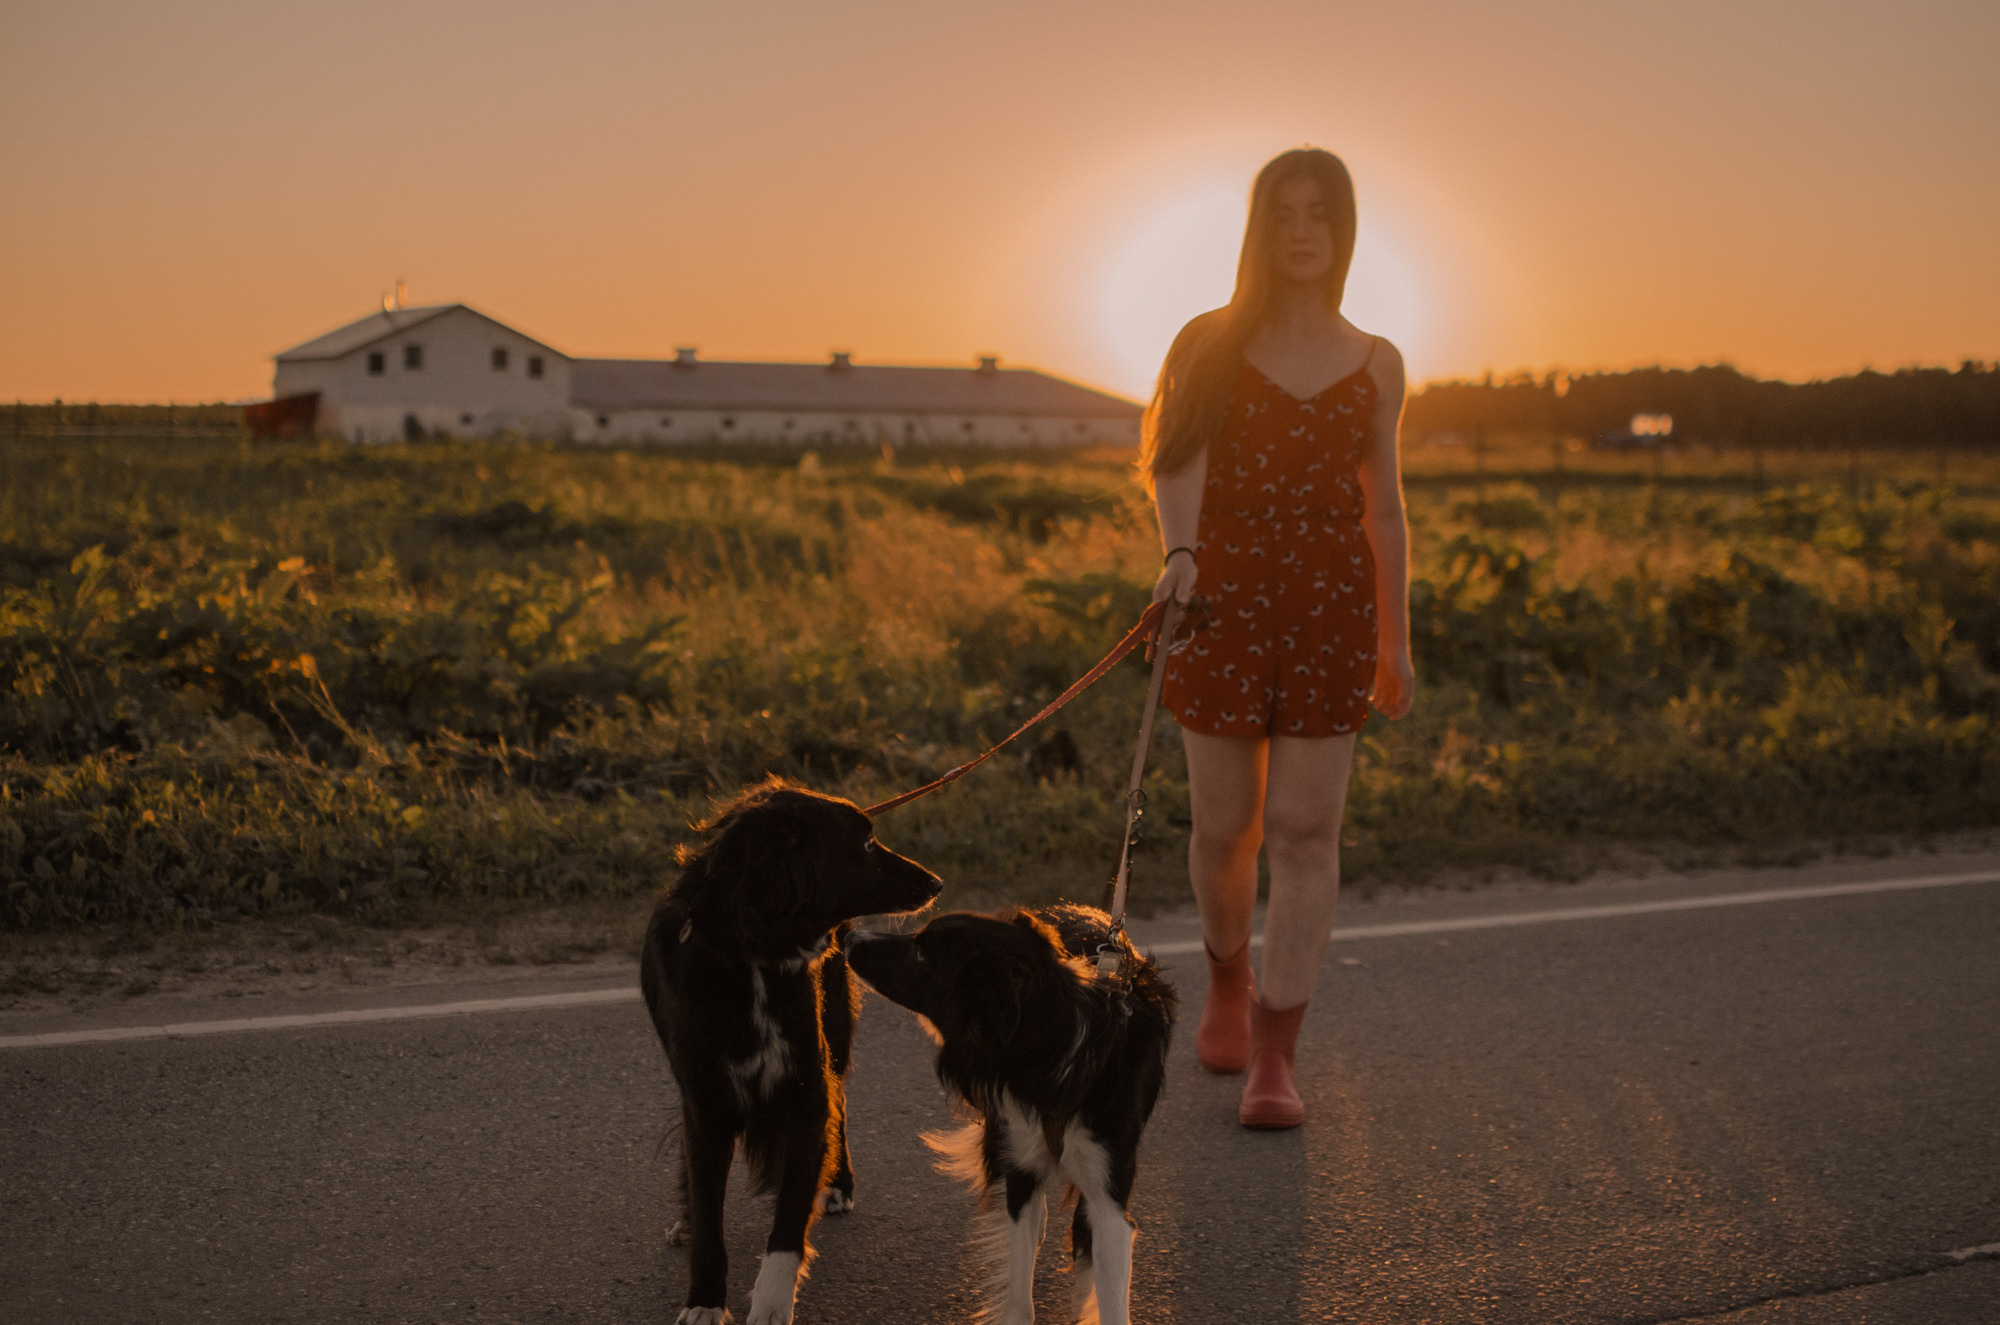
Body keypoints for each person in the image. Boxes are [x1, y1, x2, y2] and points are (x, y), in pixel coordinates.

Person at [1143, 147, 1415, 1129]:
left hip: (1330, 606)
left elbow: (1382, 509)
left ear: (1342, 233)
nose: (1302, 230)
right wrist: (1179, 553)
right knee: (1224, 831)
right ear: (1259, 229)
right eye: (1284, 213)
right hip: (1221, 595)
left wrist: (1394, 637)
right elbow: (1176, 462)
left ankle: (1274, 1052)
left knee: (1305, 832)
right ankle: (1224, 978)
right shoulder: (1206, 343)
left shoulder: (1377, 360)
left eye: (1321, 214)